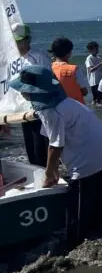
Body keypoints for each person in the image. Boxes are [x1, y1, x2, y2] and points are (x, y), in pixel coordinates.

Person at [10, 65, 102, 249]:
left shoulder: (50, 111)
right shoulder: (65, 102)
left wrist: (49, 174)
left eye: (23, 90)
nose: (22, 93)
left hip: (88, 161)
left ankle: (77, 249)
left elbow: (55, 146)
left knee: (76, 211)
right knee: (99, 209)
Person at [12, 22, 52, 166]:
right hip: (23, 109)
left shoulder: (38, 57)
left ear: (28, 39)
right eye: (15, 41)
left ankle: (48, 173)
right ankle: (37, 171)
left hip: (39, 108)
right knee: (30, 144)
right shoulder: (16, 59)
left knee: (40, 144)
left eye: (20, 41)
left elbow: (49, 81)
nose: (17, 44)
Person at [50, 37, 89, 104]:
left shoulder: (48, 68)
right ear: (69, 53)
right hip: (76, 108)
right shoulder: (74, 69)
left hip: (56, 108)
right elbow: (85, 92)